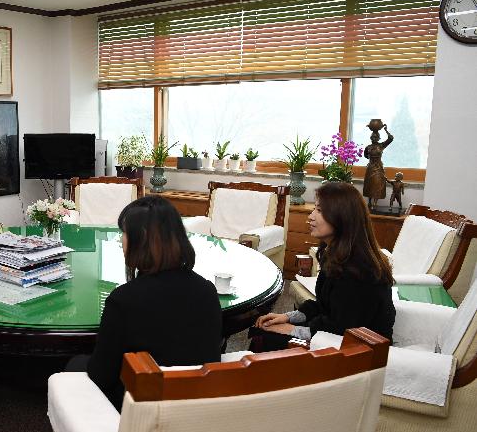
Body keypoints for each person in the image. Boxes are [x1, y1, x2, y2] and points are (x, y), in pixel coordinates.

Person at [76, 195, 222, 411]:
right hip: (198, 401)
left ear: (141, 238)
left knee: (75, 364)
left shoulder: (123, 300)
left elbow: (101, 376)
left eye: (124, 233)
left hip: (144, 405)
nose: (121, 240)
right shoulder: (207, 290)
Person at [251, 181, 395, 350]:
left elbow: (341, 328)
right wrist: (287, 317)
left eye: (319, 211)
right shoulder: (336, 253)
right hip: (334, 335)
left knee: (264, 337)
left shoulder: (358, 271)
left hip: (357, 352)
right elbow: (325, 306)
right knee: (263, 331)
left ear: (342, 217)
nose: (311, 216)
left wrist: (293, 330)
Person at [362, 120, 394, 208]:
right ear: (370, 138)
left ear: (379, 138)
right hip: (370, 167)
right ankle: (369, 202)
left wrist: (386, 130)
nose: (374, 138)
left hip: (379, 167)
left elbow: (391, 138)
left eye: (376, 137)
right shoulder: (368, 147)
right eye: (373, 137)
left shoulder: (381, 146)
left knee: (377, 184)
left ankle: (375, 203)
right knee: (369, 184)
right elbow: (365, 156)